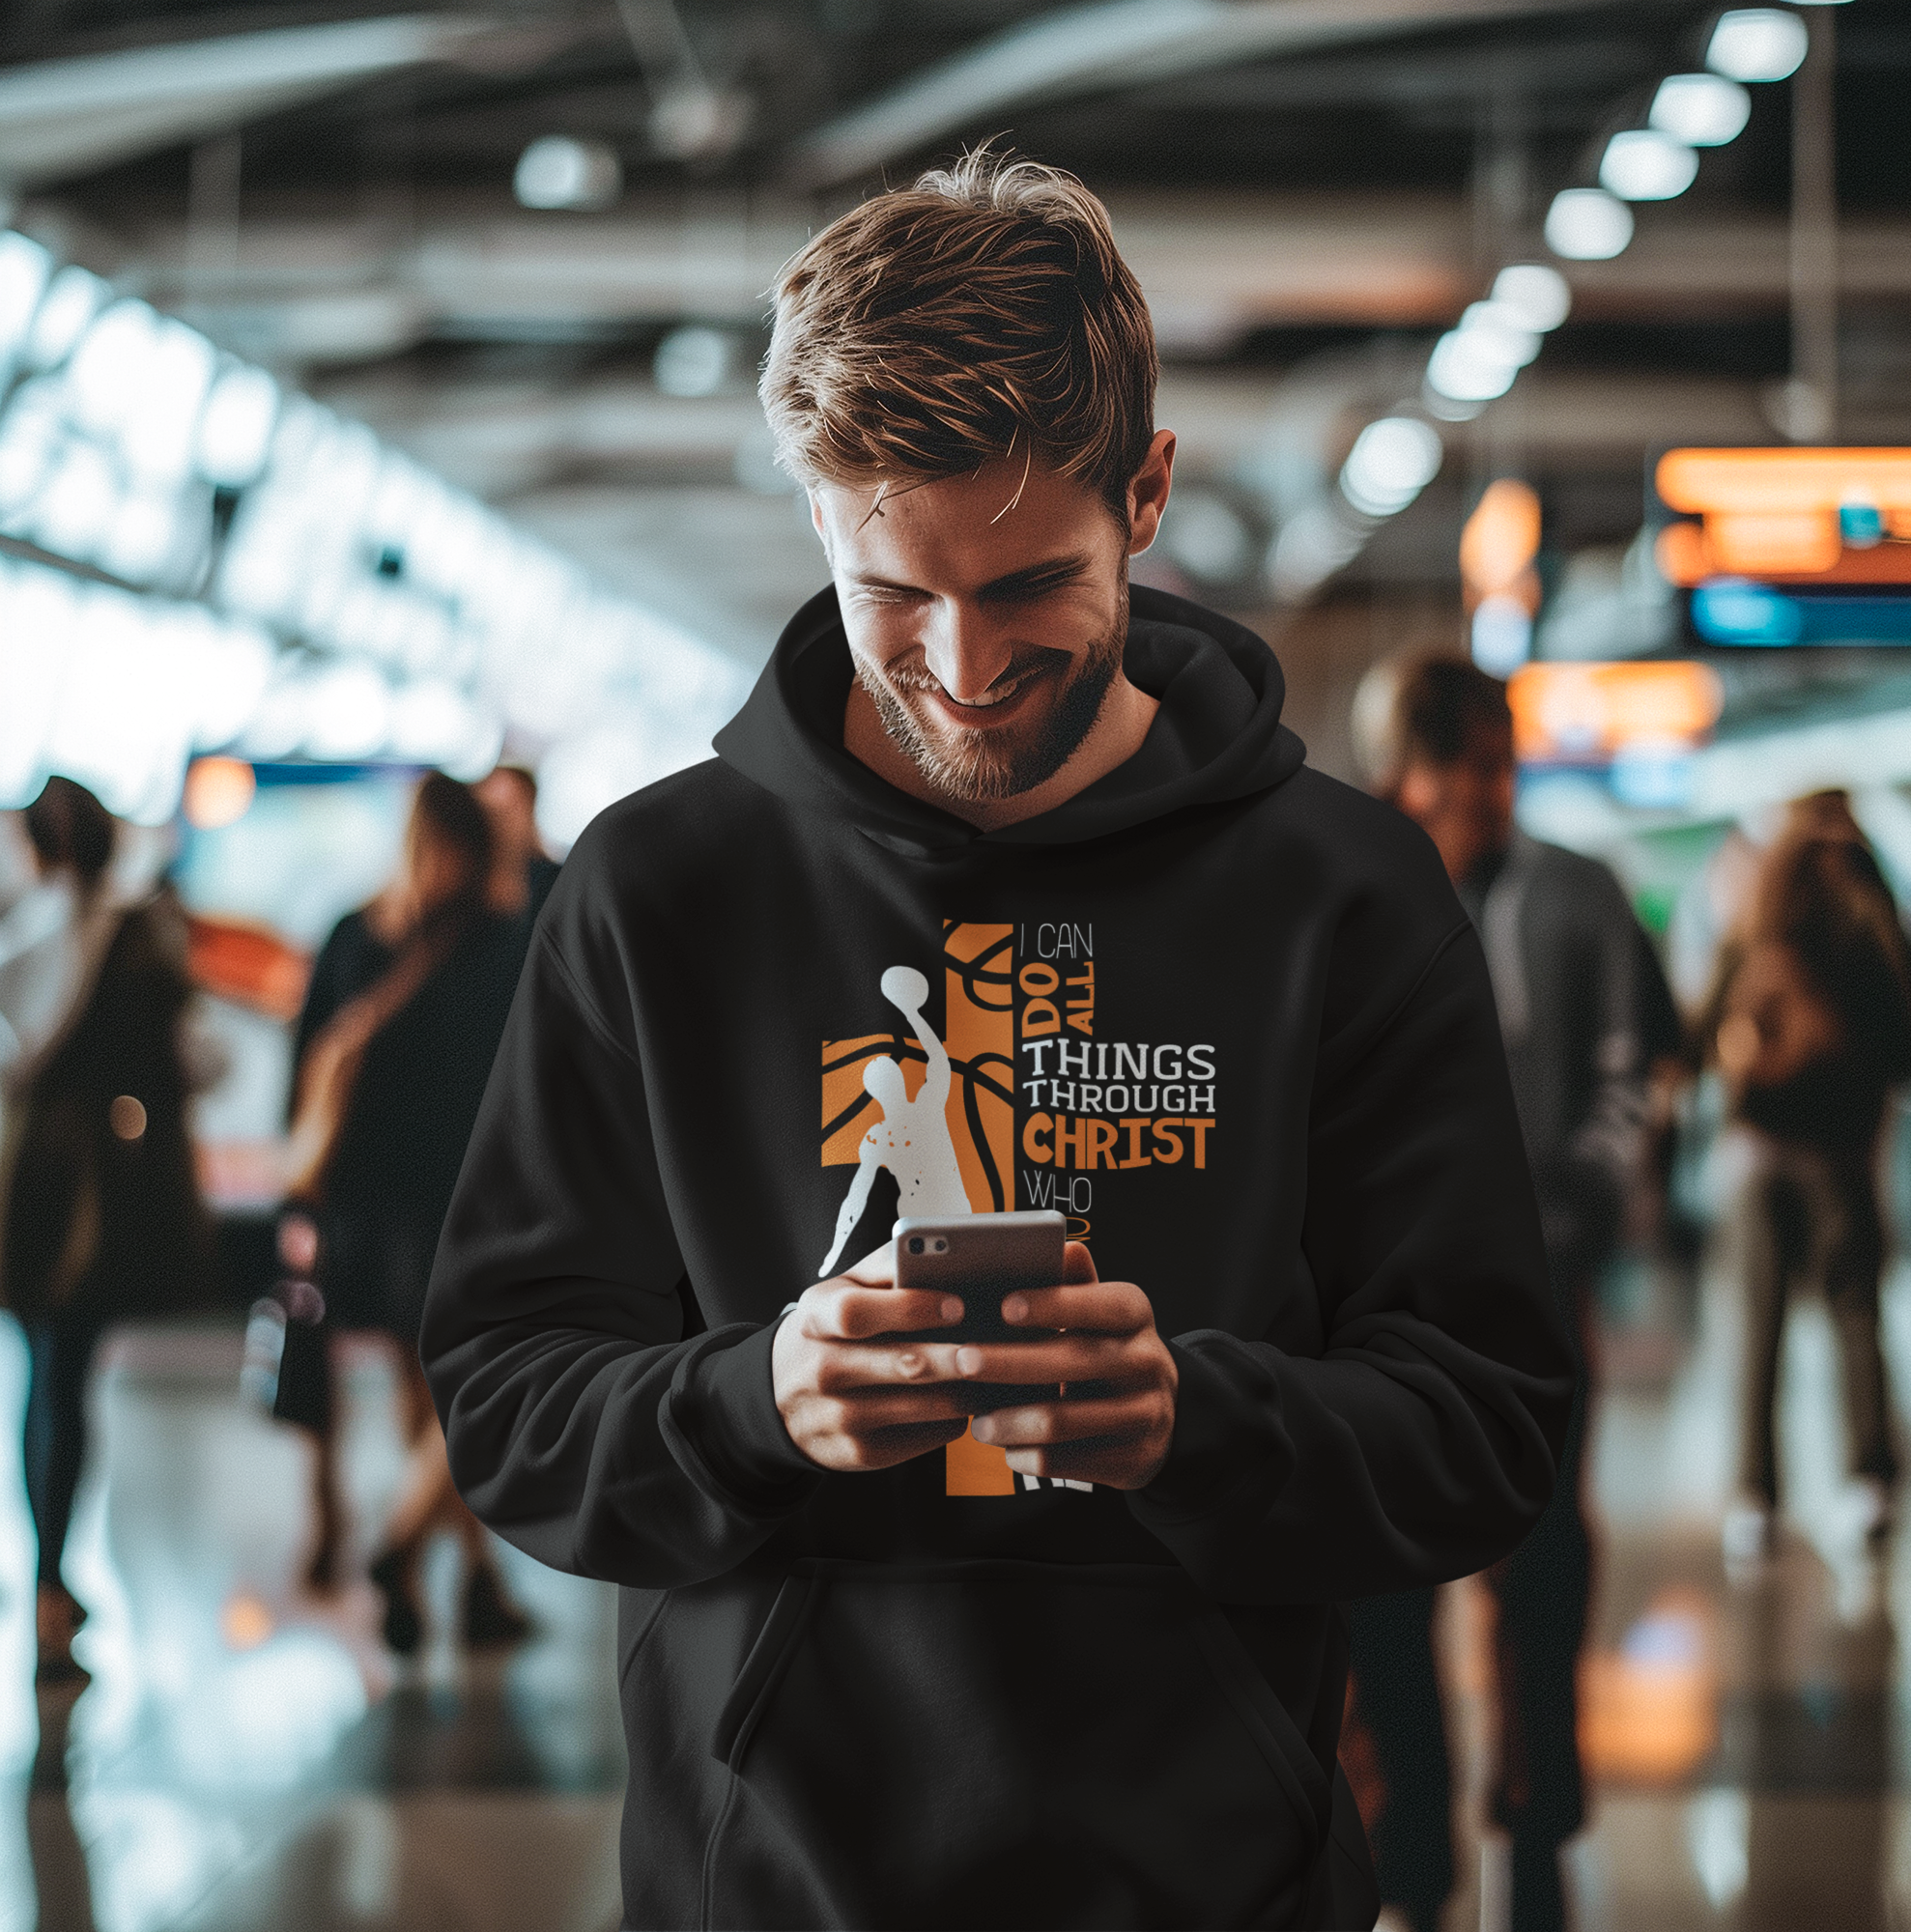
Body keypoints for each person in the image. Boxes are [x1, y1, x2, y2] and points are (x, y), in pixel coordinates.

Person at [421, 150, 1571, 1932]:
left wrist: (1201, 1417)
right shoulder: (660, 892)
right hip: (770, 1887)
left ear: (1150, 494)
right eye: (898, 594)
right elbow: (506, 1400)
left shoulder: (1339, 894)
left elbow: (1488, 1426)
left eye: (1032, 582)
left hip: (1216, 1884)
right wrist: (754, 1401)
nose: (962, 666)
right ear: (818, 519)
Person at [1345, 656, 1681, 1932]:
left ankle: (1536, 1825)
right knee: (1380, 1578)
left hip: (1532, 1295)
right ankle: (1407, 1850)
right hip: (1377, 1309)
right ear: (1397, 778)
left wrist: (1571, 1234)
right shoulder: (1350, 901)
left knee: (1539, 1565)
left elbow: (1628, 1075)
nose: (1480, 796)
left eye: (1495, 767)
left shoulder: (1578, 896)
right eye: (1453, 772)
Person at [285, 774, 531, 1651]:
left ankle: (461, 1581)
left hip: (364, 1205)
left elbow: (305, 1062)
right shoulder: (502, 941)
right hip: (462, 1207)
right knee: (475, 1402)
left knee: (424, 1395)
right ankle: (405, 1550)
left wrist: (298, 1198)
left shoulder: (354, 935)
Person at [0, 778, 211, 1679]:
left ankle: (48, 1578)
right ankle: (51, 1580)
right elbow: (197, 1054)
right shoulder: (137, 930)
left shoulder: (38, 930)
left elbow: (22, 1048)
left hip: (33, 1182)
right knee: (63, 1376)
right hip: (103, 1189)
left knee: (46, 1374)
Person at [1703, 793, 1911, 1557]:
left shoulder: (1763, 905)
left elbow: (1706, 1021)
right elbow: (1908, 1036)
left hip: (1759, 1155)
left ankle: (1755, 1500)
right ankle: (1870, 1481)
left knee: (1755, 1326)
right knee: (1855, 1315)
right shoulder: (1868, 907)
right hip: (1842, 1156)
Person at [473, 764, 560, 930]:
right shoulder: (465, 887)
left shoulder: (556, 882)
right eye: (492, 813)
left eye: (508, 812)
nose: (500, 825)